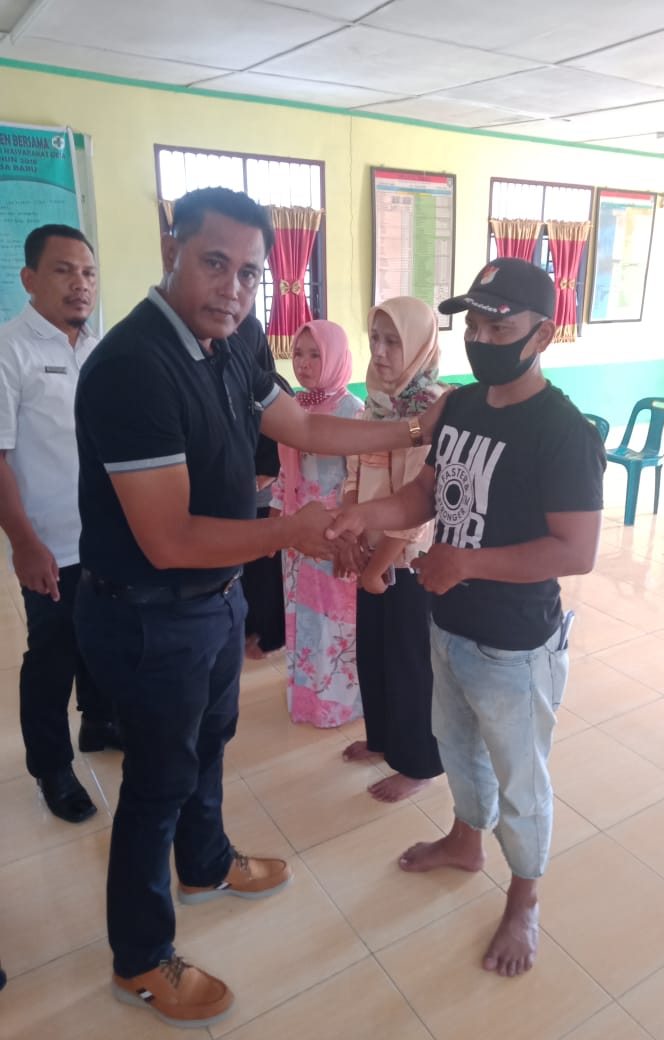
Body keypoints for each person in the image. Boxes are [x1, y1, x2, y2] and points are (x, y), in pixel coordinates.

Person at [72, 187, 444, 1030]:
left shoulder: (235, 337)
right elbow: (168, 537)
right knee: (156, 784)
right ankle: (140, 958)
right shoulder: (133, 367)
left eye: (249, 273)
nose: (234, 289)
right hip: (147, 612)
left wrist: (411, 432)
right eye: (215, 263)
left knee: (210, 745)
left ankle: (205, 864)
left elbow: (301, 427)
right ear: (171, 249)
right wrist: (291, 531)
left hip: (214, 597)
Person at [329, 257, 605, 977]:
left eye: (499, 327)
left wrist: (468, 563)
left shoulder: (563, 431)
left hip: (516, 643)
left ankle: (524, 898)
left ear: (542, 334)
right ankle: (463, 840)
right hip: (448, 623)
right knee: (456, 747)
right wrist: (366, 514)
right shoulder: (461, 407)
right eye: (474, 325)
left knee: (520, 779)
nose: (482, 339)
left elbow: (576, 551)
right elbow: (427, 494)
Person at [0, 224, 120, 825]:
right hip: (48, 541)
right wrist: (24, 542)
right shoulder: (10, 350)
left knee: (104, 635)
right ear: (29, 279)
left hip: (105, 533)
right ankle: (52, 767)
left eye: (88, 272)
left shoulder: (99, 349)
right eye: (63, 270)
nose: (80, 284)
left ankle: (99, 721)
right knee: (52, 652)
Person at [339, 297, 445, 802]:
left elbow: (420, 509)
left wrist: (376, 565)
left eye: (393, 341)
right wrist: (351, 537)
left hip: (407, 566)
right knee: (375, 655)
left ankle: (418, 763)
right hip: (372, 560)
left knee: (410, 666)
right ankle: (383, 738)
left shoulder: (432, 414)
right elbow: (354, 475)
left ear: (420, 345)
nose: (379, 352)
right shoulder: (375, 405)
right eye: (375, 339)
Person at [270, 319, 363, 727]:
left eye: (315, 355)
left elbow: (358, 481)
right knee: (302, 617)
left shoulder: (352, 411)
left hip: (333, 533)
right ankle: (306, 701)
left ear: (336, 358)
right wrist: (276, 522)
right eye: (299, 353)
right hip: (297, 532)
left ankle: (338, 706)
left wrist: (348, 536)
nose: (303, 364)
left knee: (334, 621)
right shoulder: (295, 407)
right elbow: (285, 473)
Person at [230, 313, 287, 660]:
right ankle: (248, 630)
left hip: (266, 497)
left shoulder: (272, 387)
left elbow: (291, 441)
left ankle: (267, 636)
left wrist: (269, 472)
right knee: (247, 571)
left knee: (265, 573)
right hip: (237, 499)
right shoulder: (224, 384)